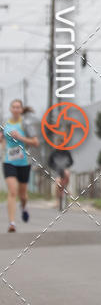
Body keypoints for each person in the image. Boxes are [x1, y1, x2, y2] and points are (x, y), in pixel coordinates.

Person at [2, 99, 39, 232]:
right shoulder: (5, 123)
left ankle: (23, 207)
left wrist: (21, 138)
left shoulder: (26, 124)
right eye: (14, 107)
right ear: (10, 109)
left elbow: (35, 142)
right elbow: (2, 140)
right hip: (9, 162)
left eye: (19, 107)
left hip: (23, 163)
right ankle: (12, 223)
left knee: (22, 195)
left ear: (21, 110)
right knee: (12, 191)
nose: (16, 109)